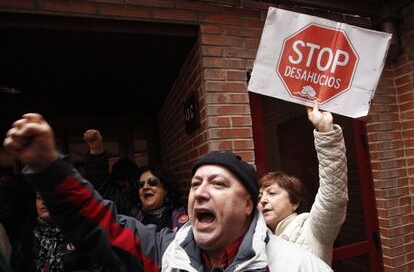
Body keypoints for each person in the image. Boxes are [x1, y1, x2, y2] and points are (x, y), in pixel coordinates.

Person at [3, 113, 333, 271]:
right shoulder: (166, 254)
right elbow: (99, 225)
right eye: (195, 184)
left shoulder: (299, 266)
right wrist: (49, 169)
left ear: (249, 204)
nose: (201, 192)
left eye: (217, 184)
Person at [257, 101, 348, 265]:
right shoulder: (260, 241)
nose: (262, 200)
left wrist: (326, 133)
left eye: (272, 193)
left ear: (295, 203)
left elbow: (333, 196)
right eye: (259, 196)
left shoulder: (312, 230)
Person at [83, 129, 139, 216]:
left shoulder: (166, 211)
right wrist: (96, 151)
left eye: (130, 183)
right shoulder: (121, 202)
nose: (146, 187)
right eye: (122, 185)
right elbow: (100, 185)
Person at [134, 165, 188, 231]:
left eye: (152, 182)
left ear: (165, 189)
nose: (145, 187)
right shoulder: (134, 222)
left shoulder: (182, 215)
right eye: (140, 184)